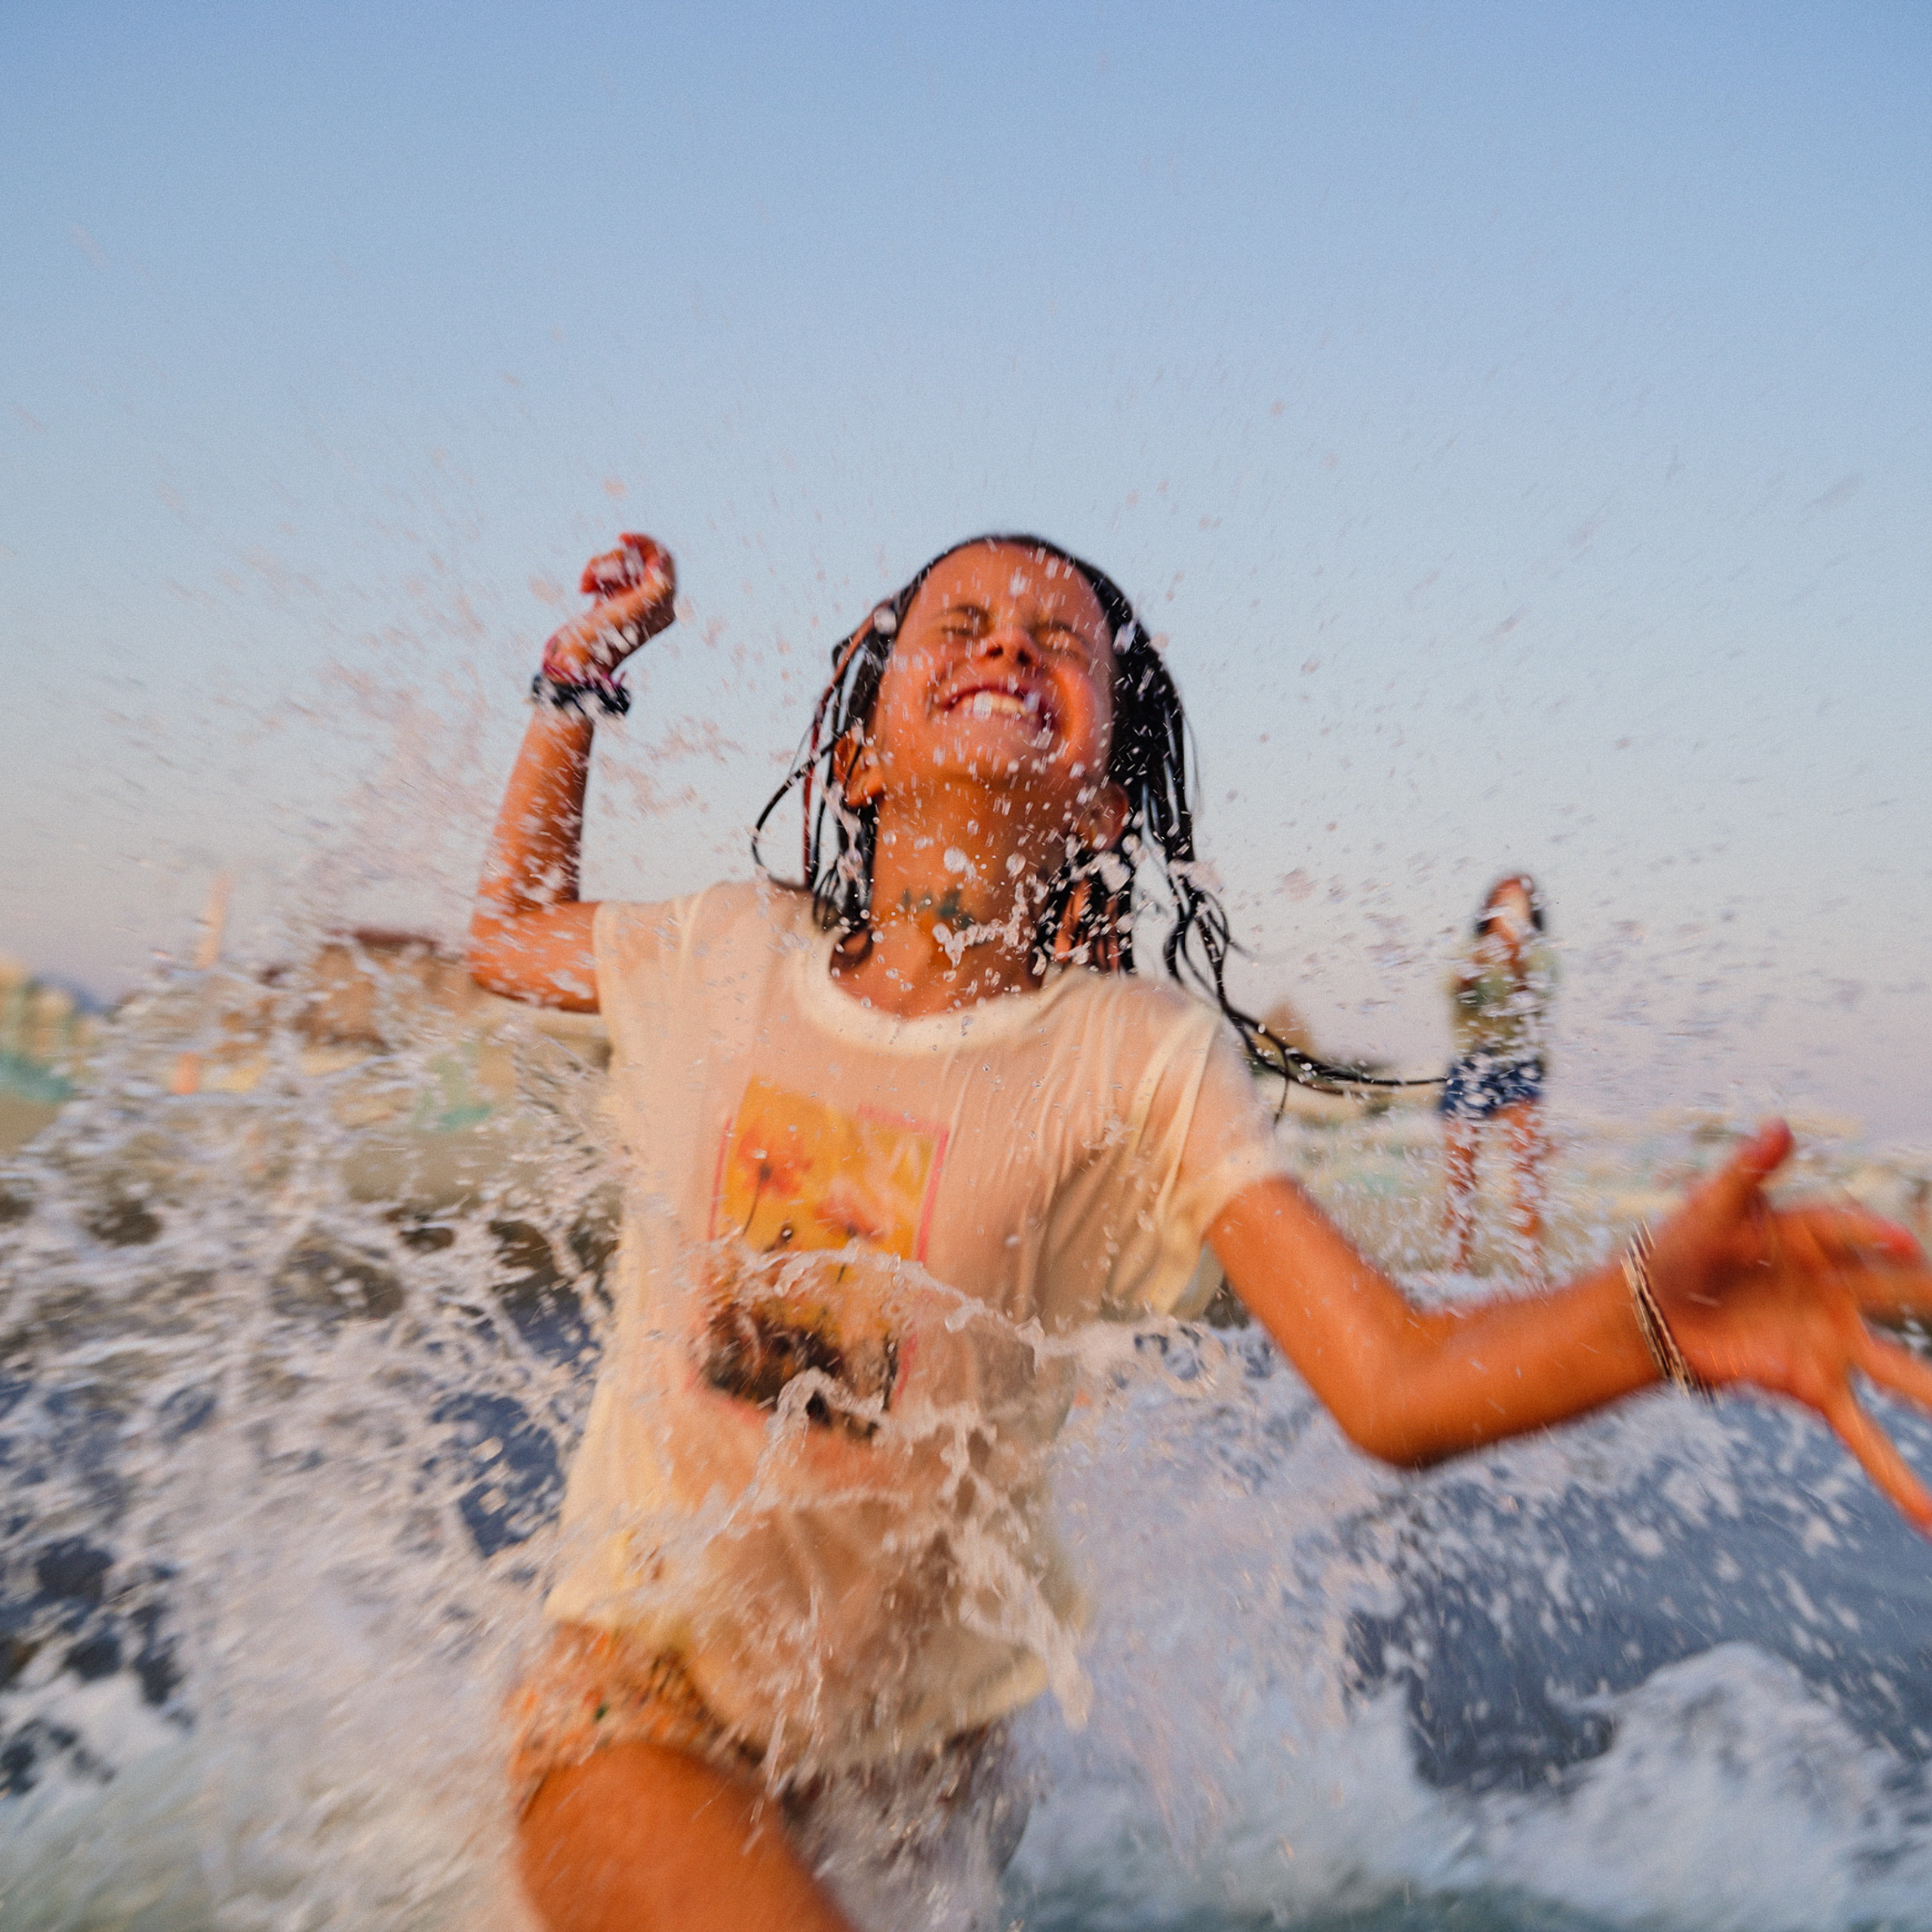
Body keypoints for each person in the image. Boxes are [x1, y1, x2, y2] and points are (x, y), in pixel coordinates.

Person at [468, 531, 1932, 1932]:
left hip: (924, 1771)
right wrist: (574, 683)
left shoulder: (1135, 1058)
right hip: (637, 1697)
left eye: (1058, 643)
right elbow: (507, 928)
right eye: (961, 626)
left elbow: (1392, 1380)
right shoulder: (722, 953)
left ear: (1105, 804)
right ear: (860, 758)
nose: (1007, 647)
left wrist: (1645, 1316)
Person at [1439, 873, 1557, 1275]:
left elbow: (1535, 1002)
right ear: (1489, 910)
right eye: (1503, 904)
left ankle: (1530, 1267)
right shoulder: (1469, 949)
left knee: (1526, 1167)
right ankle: (1456, 1265)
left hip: (1521, 1063)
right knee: (1460, 1170)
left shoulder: (1542, 955)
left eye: (1519, 904)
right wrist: (1481, 960)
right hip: (1470, 1061)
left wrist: (1516, 958)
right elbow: (1454, 991)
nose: (1511, 913)